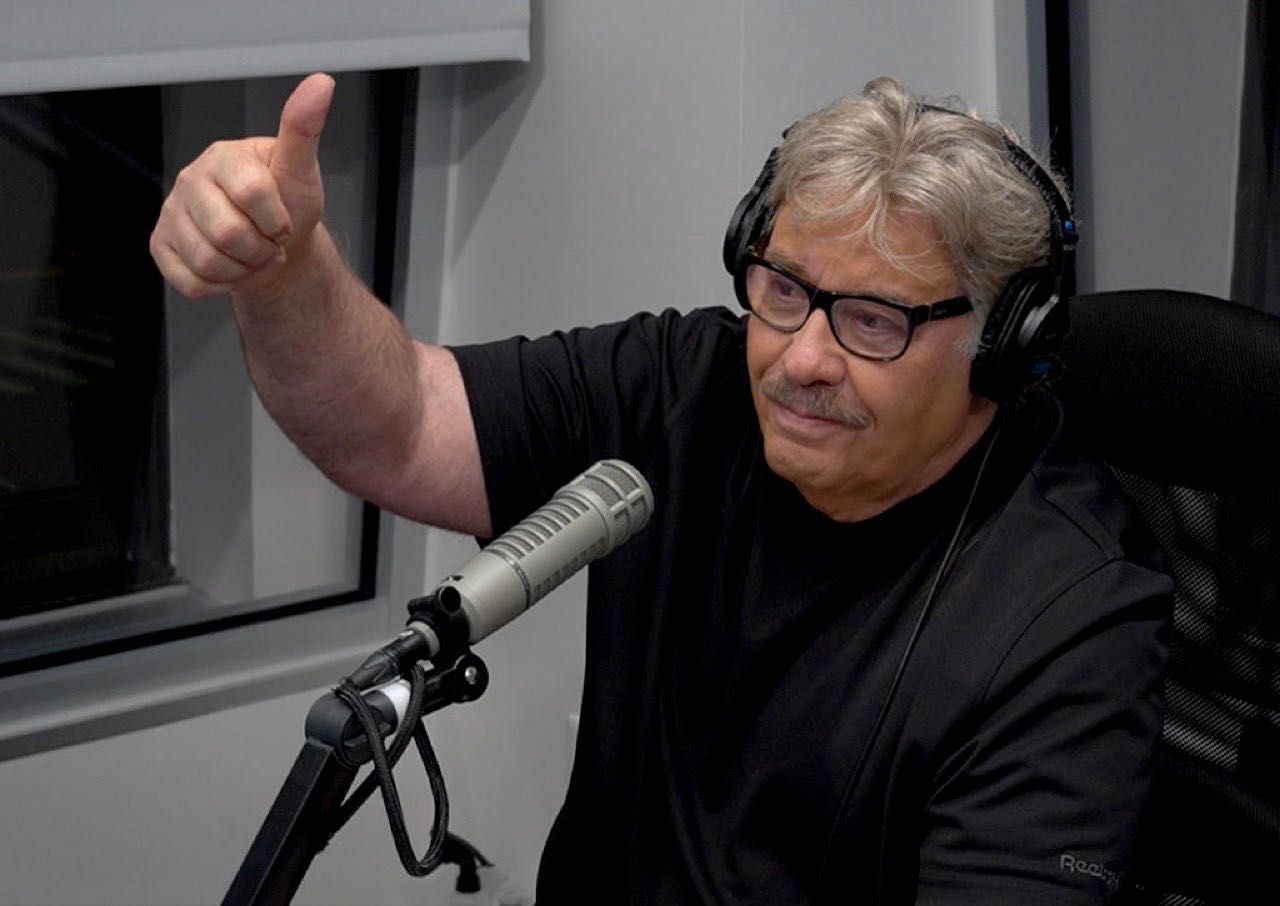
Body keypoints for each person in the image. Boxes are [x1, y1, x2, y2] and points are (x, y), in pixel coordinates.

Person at [151, 72, 1172, 904]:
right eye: (781, 291)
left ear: (1003, 347)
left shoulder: (1072, 614)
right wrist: (284, 278)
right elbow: (398, 422)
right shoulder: (684, 386)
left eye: (871, 321)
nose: (799, 359)